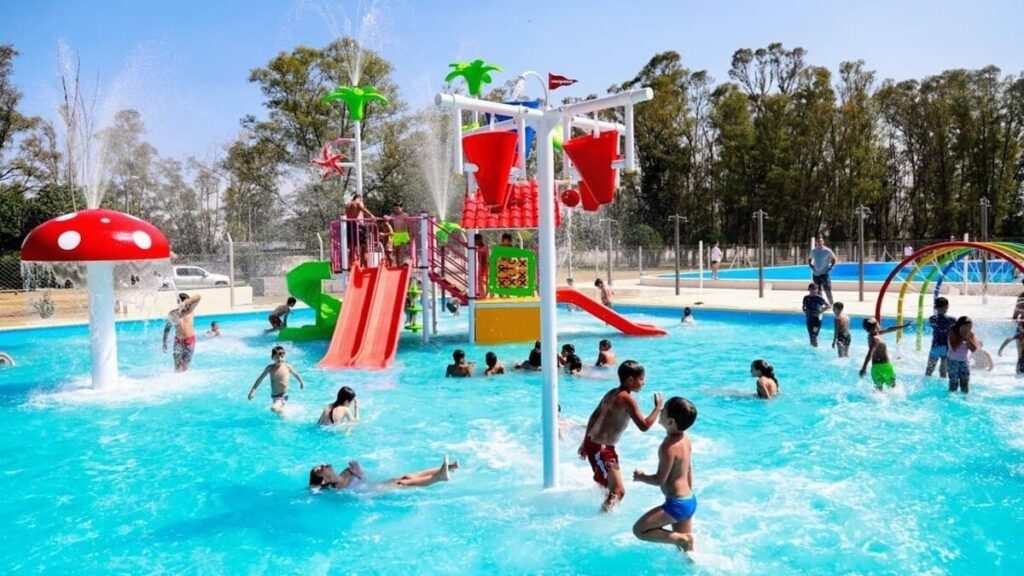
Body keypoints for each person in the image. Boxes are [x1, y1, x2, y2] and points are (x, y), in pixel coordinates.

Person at [579, 360, 664, 512]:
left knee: (607, 488)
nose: (643, 382)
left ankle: (602, 512)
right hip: (602, 449)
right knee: (618, 491)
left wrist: (584, 442)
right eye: (641, 379)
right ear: (630, 380)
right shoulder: (627, 399)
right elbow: (644, 426)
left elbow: (593, 416)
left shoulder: (612, 392)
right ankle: (601, 519)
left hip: (594, 444)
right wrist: (658, 407)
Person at [632, 396, 698, 553]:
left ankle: (684, 540)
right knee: (685, 553)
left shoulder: (668, 447)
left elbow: (659, 480)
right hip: (689, 500)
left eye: (664, 410)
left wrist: (641, 477)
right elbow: (688, 469)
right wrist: (688, 496)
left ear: (671, 422)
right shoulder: (686, 439)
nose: (660, 411)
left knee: (639, 530)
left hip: (677, 504)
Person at [309, 455, 458, 491]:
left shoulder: (347, 471)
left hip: (374, 485)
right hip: (374, 492)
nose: (323, 465)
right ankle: (440, 477)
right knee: (402, 483)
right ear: (324, 481)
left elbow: (363, 478)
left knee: (405, 477)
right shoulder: (338, 490)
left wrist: (359, 472)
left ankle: (445, 468)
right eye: (320, 469)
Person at [248, 345, 305, 415]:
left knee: (273, 408)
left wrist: (301, 382)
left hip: (283, 395)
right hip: (274, 396)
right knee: (280, 412)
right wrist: (253, 390)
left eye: (282, 357)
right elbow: (260, 378)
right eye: (277, 357)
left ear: (285, 357)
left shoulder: (287, 367)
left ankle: (284, 414)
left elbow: (296, 374)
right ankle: (284, 418)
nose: (280, 359)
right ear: (272, 358)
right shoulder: (270, 368)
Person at [858, 318, 912, 391]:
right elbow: (870, 353)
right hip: (885, 367)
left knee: (879, 392)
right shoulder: (876, 339)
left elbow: (889, 329)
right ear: (875, 328)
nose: (879, 324)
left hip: (875, 369)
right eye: (878, 323)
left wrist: (903, 326)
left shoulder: (872, 335)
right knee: (893, 389)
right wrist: (864, 368)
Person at [163, 293, 202, 372]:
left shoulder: (190, 310)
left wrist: (186, 302)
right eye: (185, 302)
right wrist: (164, 342)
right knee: (177, 367)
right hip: (178, 342)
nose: (188, 304)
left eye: (189, 303)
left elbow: (198, 297)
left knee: (184, 368)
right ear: (179, 302)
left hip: (189, 342)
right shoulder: (173, 314)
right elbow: (167, 328)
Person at [925, 297, 956, 378]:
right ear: (947, 307)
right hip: (946, 348)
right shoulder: (952, 320)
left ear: (935, 307)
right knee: (943, 372)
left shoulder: (932, 319)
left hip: (935, 347)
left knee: (929, 370)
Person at [947, 316, 979, 394]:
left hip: (964, 362)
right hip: (952, 361)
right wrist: (962, 337)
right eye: (967, 327)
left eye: (970, 327)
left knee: (965, 384)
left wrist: (968, 339)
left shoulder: (971, 334)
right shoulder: (953, 331)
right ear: (960, 326)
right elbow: (954, 348)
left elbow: (974, 349)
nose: (969, 329)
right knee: (953, 384)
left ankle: (965, 400)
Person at [345, 194, 376, 266]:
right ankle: (364, 265)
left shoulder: (348, 204)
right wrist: (371, 215)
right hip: (355, 225)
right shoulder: (358, 202)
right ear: (360, 199)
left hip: (348, 225)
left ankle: (351, 265)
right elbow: (363, 208)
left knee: (351, 246)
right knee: (363, 246)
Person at [808, 236, 837, 306]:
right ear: (816, 242)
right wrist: (811, 266)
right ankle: (821, 305)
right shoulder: (813, 251)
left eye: (821, 241)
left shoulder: (827, 250)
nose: (819, 243)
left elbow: (834, 259)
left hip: (824, 274)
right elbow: (810, 259)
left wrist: (831, 267)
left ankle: (831, 305)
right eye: (818, 241)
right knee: (818, 291)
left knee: (828, 291)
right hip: (816, 275)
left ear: (823, 242)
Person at [474, 233, 490, 300]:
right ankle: (488, 293)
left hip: (484, 265)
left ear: (479, 240)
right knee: (483, 280)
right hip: (484, 265)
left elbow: (483, 251)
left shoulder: (483, 247)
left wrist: (477, 249)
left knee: (481, 280)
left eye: (475, 241)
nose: (475, 242)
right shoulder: (480, 246)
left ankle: (483, 294)